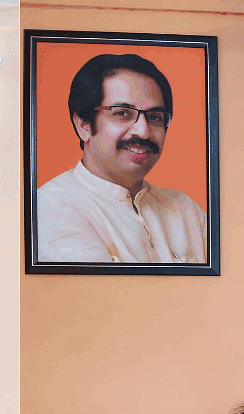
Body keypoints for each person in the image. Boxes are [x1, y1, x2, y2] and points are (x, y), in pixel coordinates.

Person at [36, 53, 208, 264]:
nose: (143, 132)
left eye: (155, 117)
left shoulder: (185, 209)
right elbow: (102, 296)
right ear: (84, 125)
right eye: (122, 114)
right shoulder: (52, 207)